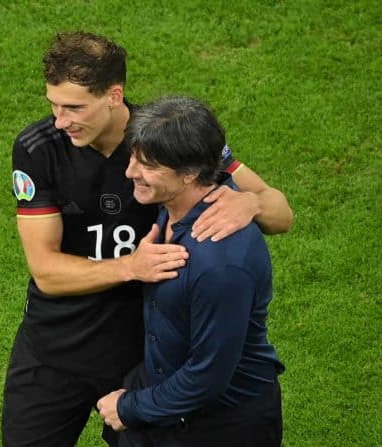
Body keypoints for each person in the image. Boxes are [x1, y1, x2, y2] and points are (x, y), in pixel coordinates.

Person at [4, 31, 292, 447]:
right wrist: (130, 267)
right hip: (55, 348)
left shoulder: (164, 140)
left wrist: (252, 204)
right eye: (53, 105)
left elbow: (280, 212)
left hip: (139, 352)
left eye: (73, 107)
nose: (60, 120)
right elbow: (46, 272)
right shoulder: (39, 148)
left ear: (114, 95)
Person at [96, 96, 285, 447]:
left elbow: (209, 375)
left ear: (190, 174)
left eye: (148, 165)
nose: (130, 172)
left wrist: (130, 406)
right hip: (167, 407)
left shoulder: (220, 263)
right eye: (134, 157)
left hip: (220, 428)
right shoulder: (176, 207)